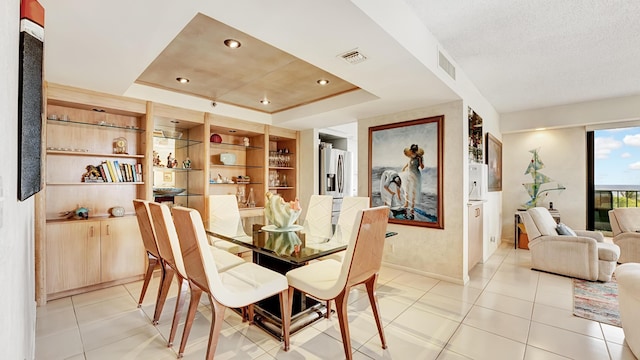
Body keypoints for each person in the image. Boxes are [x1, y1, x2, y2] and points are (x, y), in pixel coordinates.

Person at [401, 144, 424, 214]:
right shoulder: (411, 157)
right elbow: (409, 164)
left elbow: (422, 167)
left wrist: (420, 161)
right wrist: (404, 168)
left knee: (413, 191)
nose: (412, 152)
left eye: (413, 151)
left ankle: (412, 206)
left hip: (415, 175)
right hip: (408, 174)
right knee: (407, 189)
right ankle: (406, 204)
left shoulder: (419, 158)